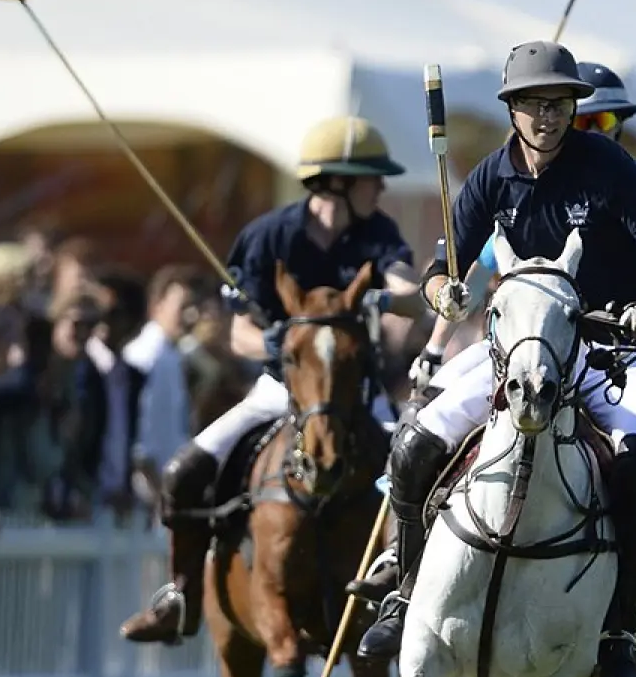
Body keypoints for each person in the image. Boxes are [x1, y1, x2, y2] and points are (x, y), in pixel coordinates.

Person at [349, 41, 636, 677]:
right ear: (512, 109)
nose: (548, 116)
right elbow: (441, 272)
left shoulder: (607, 166)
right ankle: (404, 591)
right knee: (413, 447)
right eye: (535, 104)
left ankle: (618, 630)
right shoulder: (492, 176)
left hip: (614, 351)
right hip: (523, 352)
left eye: (561, 103)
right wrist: (444, 296)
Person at [118, 116, 423, 645]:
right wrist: (276, 345)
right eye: (373, 178)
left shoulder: (377, 233)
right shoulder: (268, 237)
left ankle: (406, 592)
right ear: (340, 182)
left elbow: (409, 289)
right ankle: (180, 593)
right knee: (183, 472)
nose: (381, 188)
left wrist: (386, 296)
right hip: (279, 392)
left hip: (358, 397)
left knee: (417, 473)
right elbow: (239, 334)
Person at [401, 61, 636, 393]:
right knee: (421, 424)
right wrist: (435, 347)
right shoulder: (505, 179)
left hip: (620, 348)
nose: (597, 131)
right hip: (523, 348)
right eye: (588, 121)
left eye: (607, 120)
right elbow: (475, 271)